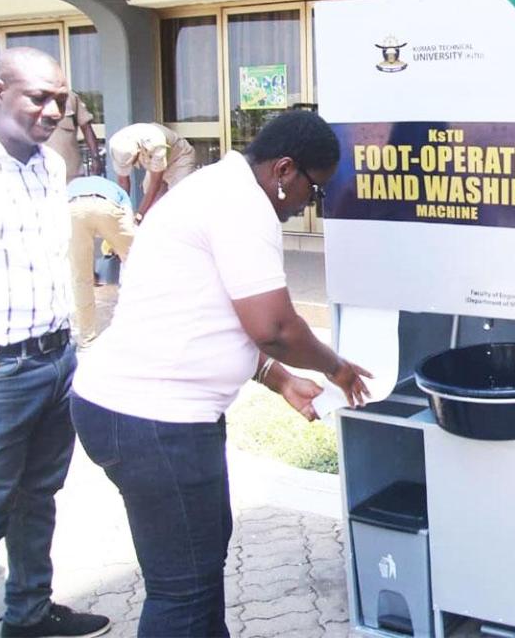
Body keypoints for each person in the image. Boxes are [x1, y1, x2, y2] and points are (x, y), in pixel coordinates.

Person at [69, 110, 372, 637]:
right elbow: (274, 326)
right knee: (182, 591)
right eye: (313, 190)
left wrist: (278, 379)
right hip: (156, 423)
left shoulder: (212, 187)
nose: (309, 205)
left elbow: (204, 314)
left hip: (139, 415)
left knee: (198, 572)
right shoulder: (240, 205)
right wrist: (338, 367)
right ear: (284, 170)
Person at [0, 47, 111, 638]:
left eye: (59, 98)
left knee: (37, 496)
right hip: (1, 372)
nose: (50, 108)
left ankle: (28, 616)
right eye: (37, 96)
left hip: (56, 358)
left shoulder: (50, 165)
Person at [67, 176, 135, 347]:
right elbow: (127, 219)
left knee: (81, 279)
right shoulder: (118, 191)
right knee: (137, 261)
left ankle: (87, 339)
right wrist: (117, 249)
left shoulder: (72, 186)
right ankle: (140, 324)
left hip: (72, 208)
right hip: (107, 206)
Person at [107, 122, 196, 223]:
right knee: (151, 204)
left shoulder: (156, 143)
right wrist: (120, 212)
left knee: (179, 200)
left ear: (137, 152)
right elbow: (123, 182)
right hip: (154, 162)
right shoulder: (117, 144)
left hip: (179, 159)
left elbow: (155, 185)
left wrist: (139, 216)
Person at [44, 90, 102, 182]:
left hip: (72, 175)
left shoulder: (70, 97)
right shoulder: (27, 99)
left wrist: (95, 158)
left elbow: (86, 128)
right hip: (40, 174)